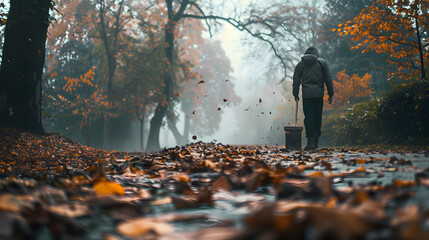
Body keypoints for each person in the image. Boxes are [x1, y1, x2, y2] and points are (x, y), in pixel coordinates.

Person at [293, 46, 334, 150]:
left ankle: (310, 143)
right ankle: (316, 142)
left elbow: (296, 81)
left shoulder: (300, 64)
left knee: (309, 119)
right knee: (317, 117)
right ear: (316, 54)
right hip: (318, 95)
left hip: (307, 96)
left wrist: (295, 93)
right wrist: (331, 93)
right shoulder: (322, 63)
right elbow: (328, 79)